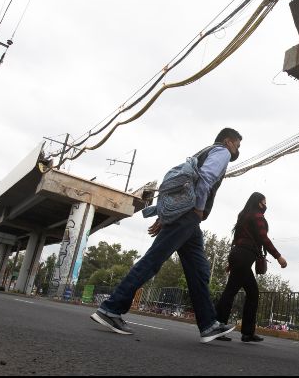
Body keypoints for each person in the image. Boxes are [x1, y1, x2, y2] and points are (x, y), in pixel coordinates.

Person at [90, 128, 243, 343]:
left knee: (199, 270)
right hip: (189, 216)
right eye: (237, 144)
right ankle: (111, 309)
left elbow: (184, 186)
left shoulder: (204, 152)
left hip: (187, 219)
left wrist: (167, 216)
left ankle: (208, 324)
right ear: (228, 141)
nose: (238, 149)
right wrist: (198, 208)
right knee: (153, 260)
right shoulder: (222, 152)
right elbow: (205, 180)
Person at [215, 192, 287, 343]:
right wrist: (278, 256)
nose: (266, 205)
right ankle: (217, 326)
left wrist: (231, 261)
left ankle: (247, 332)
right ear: (259, 203)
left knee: (252, 293)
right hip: (245, 256)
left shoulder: (244, 215)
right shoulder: (257, 216)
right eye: (264, 202)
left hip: (238, 254)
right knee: (231, 291)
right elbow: (263, 238)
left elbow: (237, 238)